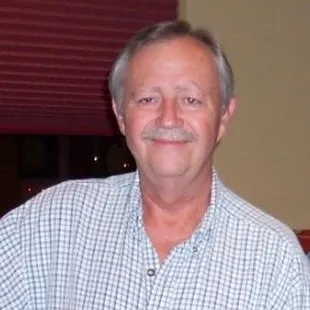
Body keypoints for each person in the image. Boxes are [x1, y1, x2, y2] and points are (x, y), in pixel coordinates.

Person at [1, 20, 309, 310]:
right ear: (121, 115)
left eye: (191, 100)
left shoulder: (275, 261)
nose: (168, 118)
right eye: (148, 99)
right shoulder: (53, 222)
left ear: (224, 118)